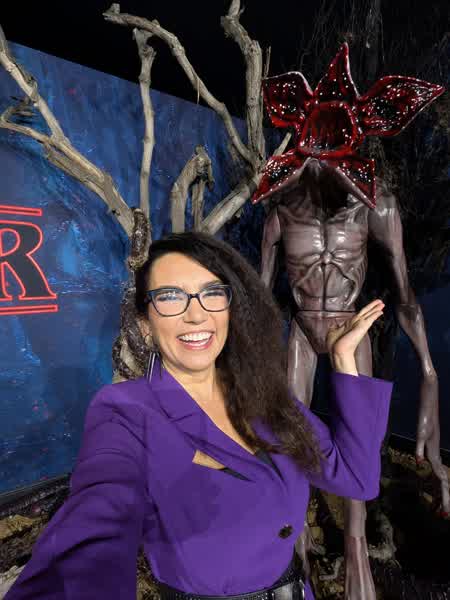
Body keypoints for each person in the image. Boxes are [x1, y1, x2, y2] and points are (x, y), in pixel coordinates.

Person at [5, 232, 393, 600]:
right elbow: (94, 529)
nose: (196, 315)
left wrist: (342, 359)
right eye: (170, 297)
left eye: (211, 293)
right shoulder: (126, 411)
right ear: (145, 325)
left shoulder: (266, 395)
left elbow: (356, 477)